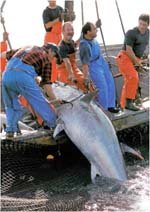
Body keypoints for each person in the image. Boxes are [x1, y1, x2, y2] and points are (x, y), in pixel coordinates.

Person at [2, 43, 62, 139]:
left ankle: (10, 131)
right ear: (50, 50)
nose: (53, 59)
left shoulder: (25, 47)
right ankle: (55, 126)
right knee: (40, 103)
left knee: (11, 106)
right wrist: (56, 102)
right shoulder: (46, 58)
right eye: (54, 56)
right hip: (23, 77)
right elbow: (47, 85)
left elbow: (4, 55)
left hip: (6, 75)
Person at [79, 22, 119, 113]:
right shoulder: (84, 46)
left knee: (110, 82)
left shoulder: (89, 36)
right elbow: (85, 64)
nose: (97, 30)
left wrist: (96, 25)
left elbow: (88, 29)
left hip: (101, 61)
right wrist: (85, 78)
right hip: (93, 65)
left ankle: (111, 106)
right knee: (102, 86)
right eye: (94, 29)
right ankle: (103, 109)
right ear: (88, 32)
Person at [116, 14, 149, 111]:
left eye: (144, 24)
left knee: (131, 81)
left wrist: (145, 59)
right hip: (125, 57)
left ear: (148, 24)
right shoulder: (131, 33)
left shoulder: (148, 33)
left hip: (137, 58)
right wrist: (137, 63)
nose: (142, 26)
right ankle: (129, 102)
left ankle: (124, 105)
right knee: (132, 76)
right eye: (140, 24)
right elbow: (128, 49)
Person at [57, 22, 88, 92]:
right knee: (72, 89)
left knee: (85, 83)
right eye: (68, 30)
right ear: (63, 32)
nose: (70, 32)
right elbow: (67, 62)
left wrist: (83, 34)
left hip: (74, 67)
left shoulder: (72, 42)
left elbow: (77, 43)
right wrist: (71, 75)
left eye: (72, 30)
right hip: (64, 70)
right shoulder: (61, 47)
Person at [43, 0, 64, 82]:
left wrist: (70, 16)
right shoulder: (46, 11)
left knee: (60, 60)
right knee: (51, 61)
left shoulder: (60, 9)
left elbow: (66, 21)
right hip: (50, 37)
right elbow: (47, 25)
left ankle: (59, 81)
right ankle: (51, 82)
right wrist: (58, 19)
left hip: (59, 36)